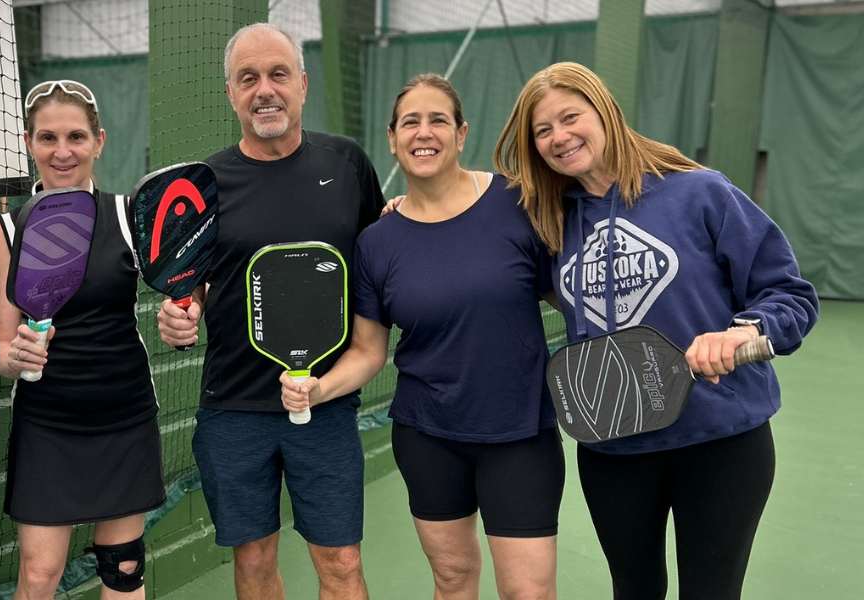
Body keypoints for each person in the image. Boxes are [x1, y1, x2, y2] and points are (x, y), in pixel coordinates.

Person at [493, 61, 819, 600]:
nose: (559, 137)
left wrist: (746, 332)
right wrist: (408, 205)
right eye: (542, 130)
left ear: (606, 112)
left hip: (721, 443)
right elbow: (470, 224)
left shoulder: (700, 192)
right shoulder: (549, 221)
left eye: (570, 117)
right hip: (615, 450)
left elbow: (791, 294)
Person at [282, 73, 564, 600]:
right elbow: (368, 352)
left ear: (461, 133)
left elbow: (571, 299)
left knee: (528, 591)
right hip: (428, 435)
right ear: (392, 139)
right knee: (453, 579)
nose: (423, 131)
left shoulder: (519, 203)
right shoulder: (378, 242)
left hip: (519, 433)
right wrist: (318, 389)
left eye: (438, 119)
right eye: (410, 122)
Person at [156, 22, 384, 600]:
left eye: (278, 74)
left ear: (303, 84)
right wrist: (181, 315)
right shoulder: (205, 184)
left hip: (327, 408)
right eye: (248, 78)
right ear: (231, 93)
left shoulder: (348, 164)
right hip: (233, 410)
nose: (265, 90)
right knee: (254, 564)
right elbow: (193, 286)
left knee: (341, 564)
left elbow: (383, 252)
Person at [0, 78, 162, 599]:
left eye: (76, 137)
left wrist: (185, 315)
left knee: (123, 570)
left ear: (99, 141)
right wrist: (14, 357)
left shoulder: (131, 216)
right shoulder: (7, 231)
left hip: (123, 414)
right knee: (40, 575)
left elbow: (188, 292)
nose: (63, 152)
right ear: (29, 142)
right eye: (48, 138)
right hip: (48, 423)